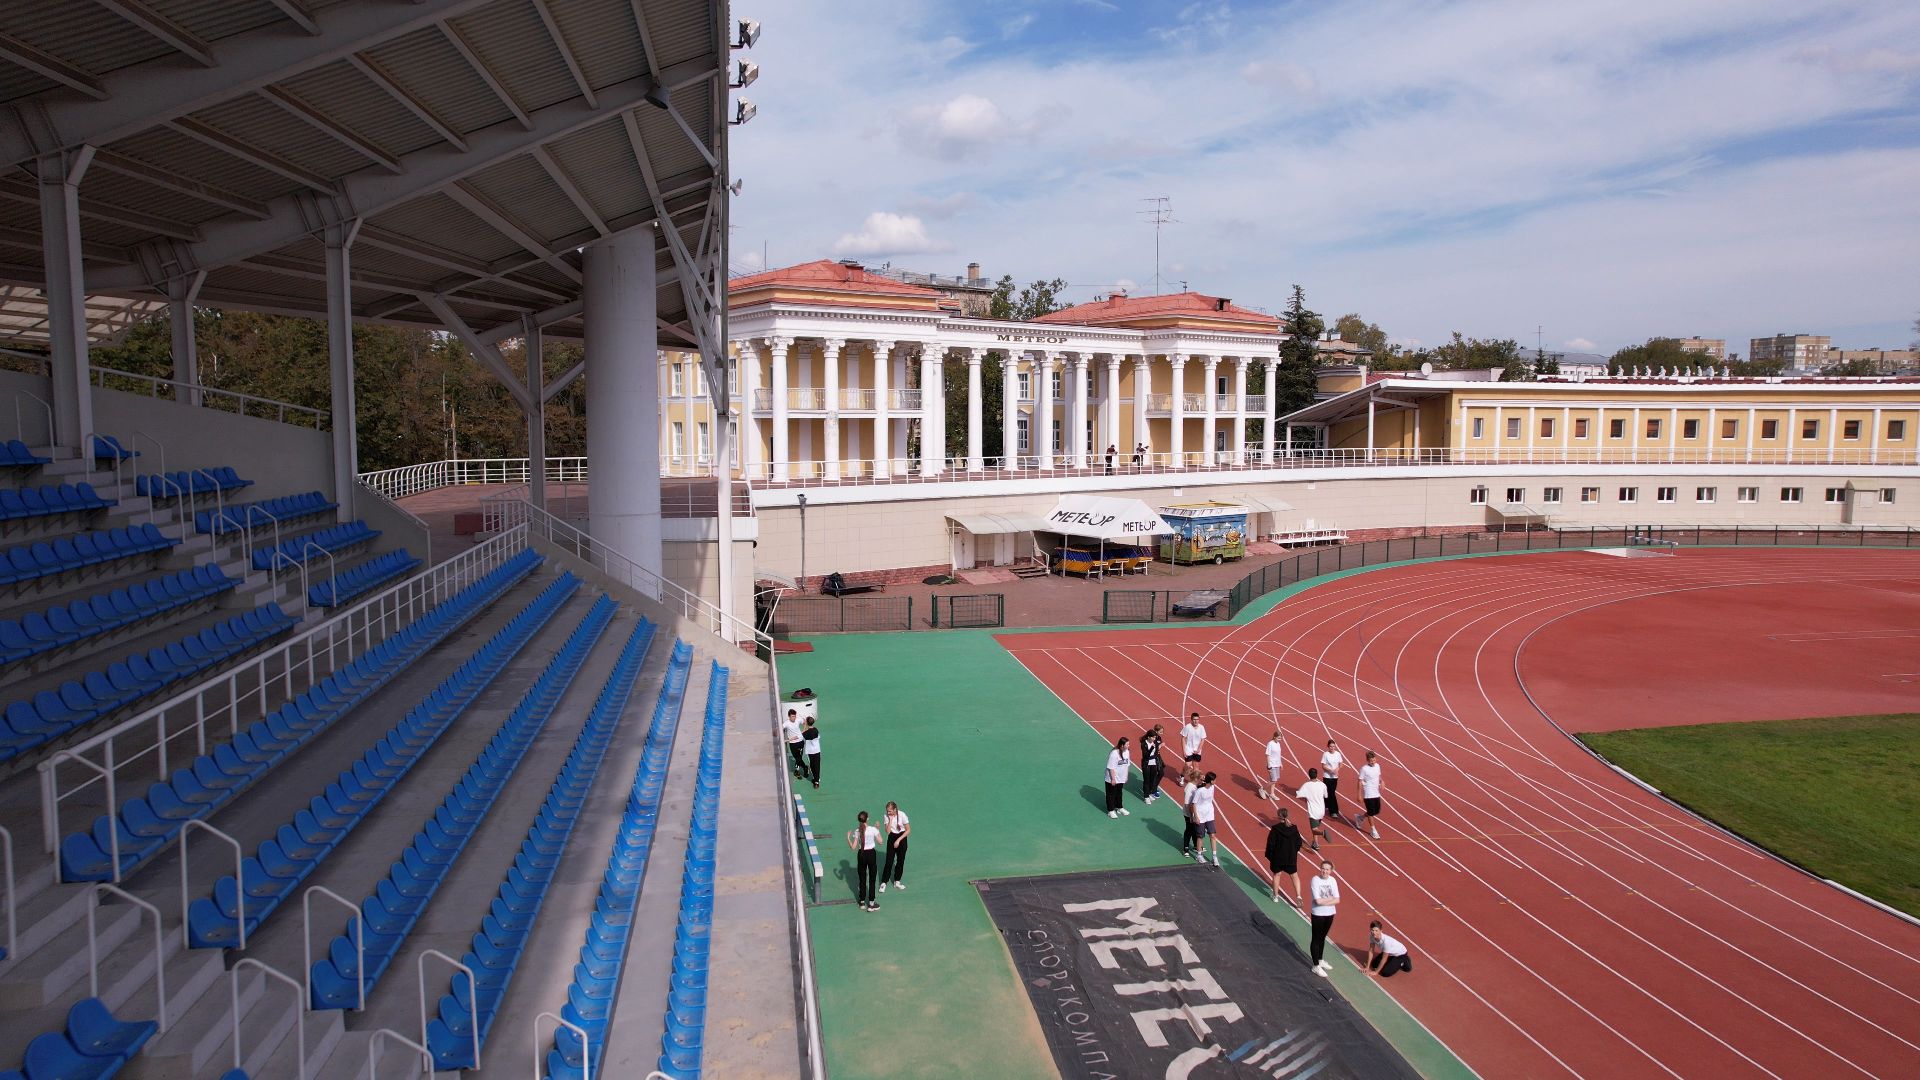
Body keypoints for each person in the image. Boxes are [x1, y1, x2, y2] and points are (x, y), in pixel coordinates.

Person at [1265, 807, 1304, 904]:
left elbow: (1271, 844)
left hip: (1277, 858)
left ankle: (1275, 896)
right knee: (1294, 876)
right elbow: (1299, 843)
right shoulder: (1294, 828)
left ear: (1278, 816)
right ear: (1287, 816)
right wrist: (1294, 852)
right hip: (1290, 857)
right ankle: (1299, 896)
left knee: (1277, 875)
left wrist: (1270, 856)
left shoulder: (1275, 829)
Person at [1308, 860, 1339, 976]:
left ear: (1331, 871)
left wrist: (1325, 901)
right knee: (1316, 939)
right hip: (1318, 914)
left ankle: (1320, 960)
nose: (1325, 871)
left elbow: (1338, 899)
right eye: (1323, 868)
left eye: (1327, 869)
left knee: (1323, 937)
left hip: (1330, 913)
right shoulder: (1315, 880)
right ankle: (1315, 966)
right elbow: (1318, 901)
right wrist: (1330, 900)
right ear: (1320, 869)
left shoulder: (1333, 880)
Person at [848, 810, 881, 911]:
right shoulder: (873, 829)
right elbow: (881, 842)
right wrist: (877, 829)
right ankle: (871, 903)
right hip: (871, 854)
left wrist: (848, 838)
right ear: (867, 819)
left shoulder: (857, 831)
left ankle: (862, 902)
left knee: (862, 879)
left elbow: (853, 847)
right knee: (872, 878)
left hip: (861, 855)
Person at [1296, 767, 1331, 851]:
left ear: (1309, 775)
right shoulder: (1322, 784)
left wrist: (1307, 796)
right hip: (1321, 810)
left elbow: (1298, 795)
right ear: (1316, 775)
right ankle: (1315, 843)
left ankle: (1323, 833)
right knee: (1316, 827)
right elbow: (1326, 796)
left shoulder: (1306, 785)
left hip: (1313, 811)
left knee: (1314, 829)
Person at [1191, 771, 1222, 865]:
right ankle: (1199, 855)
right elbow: (1194, 803)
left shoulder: (1213, 788)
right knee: (1200, 836)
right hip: (1200, 815)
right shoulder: (1200, 791)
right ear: (1211, 781)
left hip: (1209, 815)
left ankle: (1214, 857)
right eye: (1214, 780)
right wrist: (1196, 816)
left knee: (1212, 835)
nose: (1216, 781)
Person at [880, 801, 911, 892]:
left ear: (895, 809)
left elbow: (908, 830)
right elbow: (888, 831)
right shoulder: (886, 816)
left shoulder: (902, 815)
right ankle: (884, 882)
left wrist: (898, 840)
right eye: (887, 811)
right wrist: (890, 820)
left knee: (900, 861)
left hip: (902, 837)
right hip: (892, 837)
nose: (888, 813)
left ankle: (897, 881)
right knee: (889, 861)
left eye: (890, 811)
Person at [1355, 750, 1384, 839]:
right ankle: (1373, 830)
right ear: (1368, 760)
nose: (1373, 761)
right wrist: (1359, 794)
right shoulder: (1364, 769)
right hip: (1368, 793)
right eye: (1371, 760)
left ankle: (1360, 818)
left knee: (1376, 811)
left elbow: (1379, 776)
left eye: (1374, 759)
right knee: (1371, 813)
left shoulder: (1378, 766)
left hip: (1376, 793)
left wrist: (1382, 781)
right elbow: (1360, 781)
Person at [1104, 736, 1132, 819]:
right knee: (1111, 794)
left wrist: (1126, 776)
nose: (1129, 746)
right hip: (1112, 778)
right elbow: (1111, 767)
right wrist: (1113, 779)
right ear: (1122, 745)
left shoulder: (1127, 752)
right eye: (1127, 744)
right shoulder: (1114, 753)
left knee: (1119, 793)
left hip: (1121, 778)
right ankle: (1111, 810)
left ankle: (1119, 807)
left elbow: (1127, 765)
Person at [1139, 723, 1166, 804]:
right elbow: (1146, 755)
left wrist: (1159, 761)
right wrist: (1152, 747)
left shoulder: (1155, 743)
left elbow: (1156, 753)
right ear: (1149, 737)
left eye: (1155, 737)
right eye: (1153, 737)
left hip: (1153, 763)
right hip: (1146, 764)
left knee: (1152, 779)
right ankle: (1146, 797)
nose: (1155, 739)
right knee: (1146, 781)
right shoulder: (1144, 744)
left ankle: (1150, 793)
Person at [1179, 765, 1202, 859]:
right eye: (1200, 778)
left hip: (1192, 812)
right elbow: (1187, 804)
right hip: (1188, 813)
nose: (1201, 780)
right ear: (1196, 779)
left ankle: (1196, 845)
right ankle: (1186, 848)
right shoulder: (1189, 788)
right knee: (1189, 830)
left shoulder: (1195, 786)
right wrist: (1192, 816)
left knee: (1194, 829)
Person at [1320, 739, 1345, 823]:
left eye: (1334, 746)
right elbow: (1323, 766)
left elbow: (1341, 764)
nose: (1332, 748)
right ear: (1328, 746)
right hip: (1327, 776)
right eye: (1331, 746)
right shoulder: (1325, 754)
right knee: (1330, 793)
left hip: (1335, 777)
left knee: (1331, 792)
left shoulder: (1338, 754)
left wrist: (1337, 769)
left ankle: (1326, 804)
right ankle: (1334, 811)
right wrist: (1330, 770)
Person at [1260, 730, 1285, 802]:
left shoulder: (1278, 744)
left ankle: (1272, 793)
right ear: (1274, 737)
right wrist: (1269, 765)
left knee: (1274, 780)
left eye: (1281, 738)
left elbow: (1279, 755)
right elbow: (1268, 755)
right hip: (1272, 764)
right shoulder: (1270, 744)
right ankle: (1262, 789)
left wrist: (1280, 763)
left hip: (1277, 764)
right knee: (1274, 780)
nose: (1280, 740)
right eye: (1279, 738)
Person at [781, 708, 806, 778]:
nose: (794, 718)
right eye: (792, 716)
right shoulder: (786, 723)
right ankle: (805, 767)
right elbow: (779, 730)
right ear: (789, 716)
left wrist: (803, 731)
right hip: (792, 743)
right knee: (797, 758)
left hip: (801, 741)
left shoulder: (798, 719)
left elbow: (805, 722)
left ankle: (796, 771)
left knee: (799, 757)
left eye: (794, 716)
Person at [802, 716, 822, 789]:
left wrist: (804, 726)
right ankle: (817, 781)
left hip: (810, 751)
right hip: (817, 750)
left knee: (812, 765)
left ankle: (815, 780)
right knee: (817, 765)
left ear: (807, 722)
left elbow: (802, 735)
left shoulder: (806, 733)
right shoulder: (816, 730)